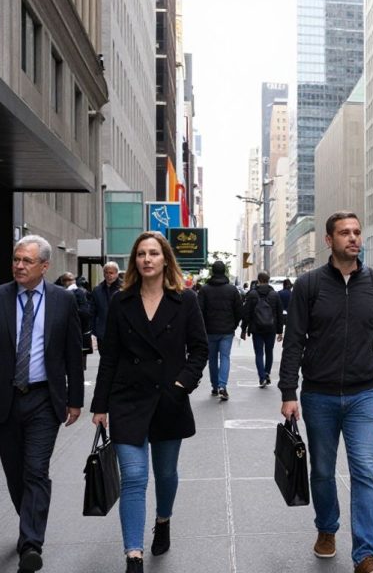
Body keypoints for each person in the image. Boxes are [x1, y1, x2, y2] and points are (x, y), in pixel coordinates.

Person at [279, 211, 373, 573]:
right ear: (328, 240)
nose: (353, 238)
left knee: (365, 470)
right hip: (319, 395)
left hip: (364, 394)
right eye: (344, 233)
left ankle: (365, 554)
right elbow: (294, 341)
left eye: (357, 232)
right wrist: (289, 391)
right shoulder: (309, 285)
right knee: (322, 471)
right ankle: (326, 527)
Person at [0, 235, 84, 573]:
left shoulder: (62, 301)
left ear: (44, 266)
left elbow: (74, 352)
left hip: (45, 399)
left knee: (35, 471)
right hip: (5, 399)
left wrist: (76, 399)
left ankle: (31, 544)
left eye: (27, 261)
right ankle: (29, 519)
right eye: (16, 259)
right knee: (16, 474)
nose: (19, 265)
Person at [90, 231, 208, 573]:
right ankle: (133, 555)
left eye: (154, 253)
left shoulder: (184, 300)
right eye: (141, 253)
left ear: (165, 259)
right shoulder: (121, 302)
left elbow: (199, 349)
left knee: (166, 473)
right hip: (127, 399)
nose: (147, 259)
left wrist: (181, 384)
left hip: (169, 398)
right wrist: (100, 405)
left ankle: (164, 518)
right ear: (134, 261)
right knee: (135, 476)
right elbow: (109, 356)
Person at [198, 260, 243, 401]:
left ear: (212, 272)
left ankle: (215, 386)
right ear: (224, 272)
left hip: (210, 331)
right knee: (225, 357)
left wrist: (203, 328)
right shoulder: (232, 290)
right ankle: (223, 385)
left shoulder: (204, 290)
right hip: (226, 331)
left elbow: (199, 311)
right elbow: (239, 311)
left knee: (212, 359)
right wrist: (233, 325)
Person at [241, 272, 284, 387]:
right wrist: (280, 331)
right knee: (269, 352)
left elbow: (247, 313)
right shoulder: (274, 295)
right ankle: (267, 373)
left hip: (256, 329)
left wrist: (243, 329)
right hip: (271, 328)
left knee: (259, 353)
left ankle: (262, 378)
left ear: (258, 280)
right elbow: (279, 314)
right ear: (268, 280)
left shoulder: (252, 294)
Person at [92, 262, 123, 354]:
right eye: (106, 273)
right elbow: (93, 311)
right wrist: (93, 330)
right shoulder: (97, 290)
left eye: (111, 273)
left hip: (121, 331)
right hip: (102, 332)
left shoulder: (124, 288)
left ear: (117, 273)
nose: (109, 275)